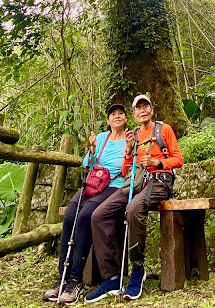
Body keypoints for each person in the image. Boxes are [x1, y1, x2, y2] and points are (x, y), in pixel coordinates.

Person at [86, 94, 183, 303]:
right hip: (135, 181)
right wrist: (129, 152)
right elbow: (125, 169)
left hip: (159, 181)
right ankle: (111, 277)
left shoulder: (163, 130)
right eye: (138, 108)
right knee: (99, 215)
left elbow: (178, 159)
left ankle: (137, 268)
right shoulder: (134, 135)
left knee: (133, 208)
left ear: (151, 109)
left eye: (145, 106)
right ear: (134, 114)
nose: (142, 111)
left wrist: (156, 162)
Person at [43, 104, 128, 305]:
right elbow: (87, 165)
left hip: (113, 186)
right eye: (112, 115)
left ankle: (75, 279)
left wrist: (130, 150)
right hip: (92, 185)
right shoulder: (100, 139)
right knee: (70, 216)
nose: (117, 117)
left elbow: (129, 166)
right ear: (107, 121)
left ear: (126, 119)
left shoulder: (130, 139)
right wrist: (91, 149)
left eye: (120, 114)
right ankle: (61, 278)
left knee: (85, 217)